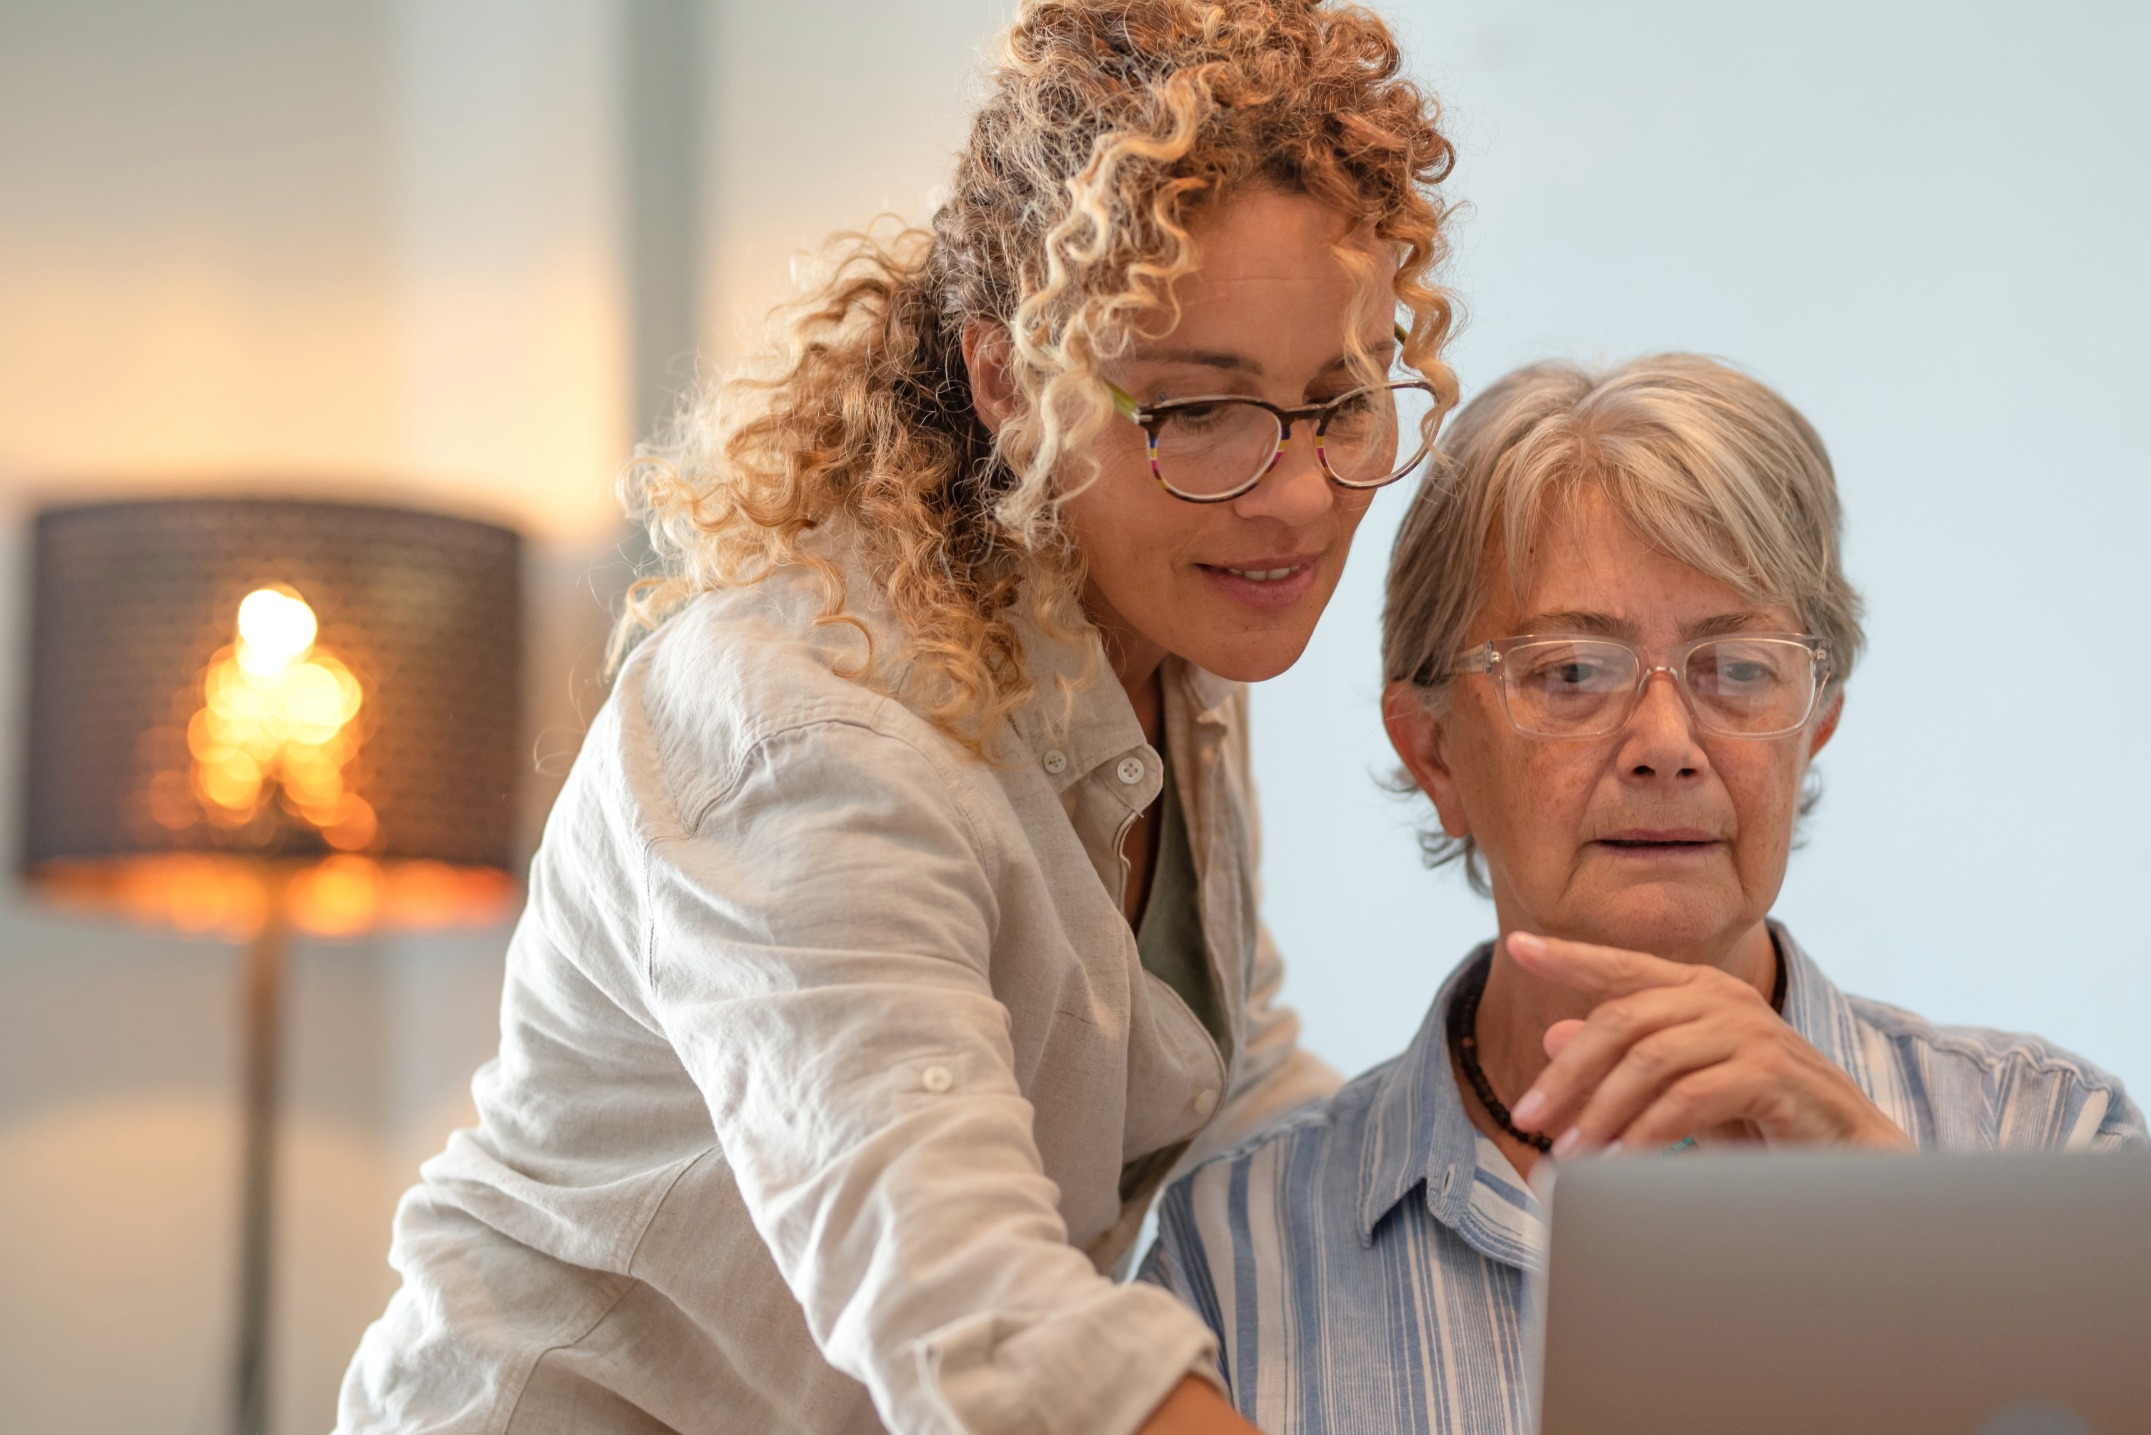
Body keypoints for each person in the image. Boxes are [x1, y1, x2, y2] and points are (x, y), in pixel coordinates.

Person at [337, 4, 1457, 1433]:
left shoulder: (1161, 632)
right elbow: (957, 1293)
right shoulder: (802, 734)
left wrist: (1517, 1129)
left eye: (1340, 397)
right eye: (1197, 409)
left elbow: (1234, 1090)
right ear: (1008, 379)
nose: (1297, 494)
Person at [1141, 355, 2146, 1433]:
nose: (1666, 746)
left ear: (1813, 730)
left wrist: (1882, 1214)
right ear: (1434, 752)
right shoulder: (1235, 1250)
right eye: (1571, 671)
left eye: (1738, 669)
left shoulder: (2042, 1139)